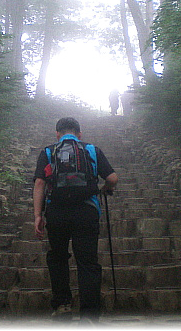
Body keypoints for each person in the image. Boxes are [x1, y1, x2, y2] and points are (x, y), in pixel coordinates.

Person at [33, 117, 118, 323]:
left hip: (57, 213)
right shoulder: (91, 150)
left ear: (57, 134)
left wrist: (37, 215)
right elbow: (112, 178)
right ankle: (89, 314)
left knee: (58, 257)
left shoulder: (48, 152)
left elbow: (39, 184)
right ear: (79, 134)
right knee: (87, 262)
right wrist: (106, 189)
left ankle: (62, 305)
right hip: (86, 211)